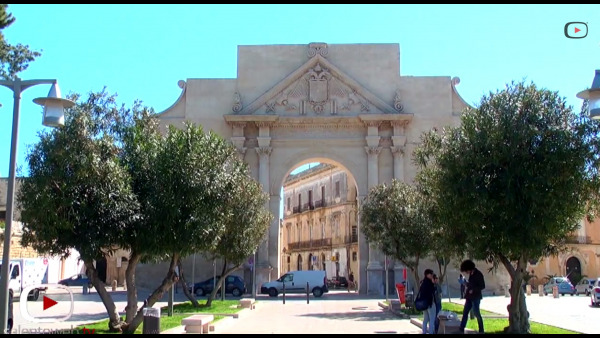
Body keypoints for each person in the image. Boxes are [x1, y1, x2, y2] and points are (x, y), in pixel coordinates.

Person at [459, 260, 485, 334]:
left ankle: (481, 330)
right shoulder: (471, 274)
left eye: (466, 270)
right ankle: (461, 328)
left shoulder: (479, 274)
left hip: (476, 297)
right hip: (469, 297)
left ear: (469, 268)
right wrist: (465, 283)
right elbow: (471, 284)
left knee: (477, 313)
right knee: (465, 312)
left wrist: (473, 290)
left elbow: (482, 286)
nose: (466, 272)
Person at [418, 269, 437, 334]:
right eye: (431, 274)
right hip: (430, 303)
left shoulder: (422, 282)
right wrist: (433, 284)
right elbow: (433, 291)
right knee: (432, 319)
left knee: (425, 319)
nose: (432, 275)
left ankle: (424, 332)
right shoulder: (429, 283)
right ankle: (431, 332)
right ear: (427, 274)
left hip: (424, 304)